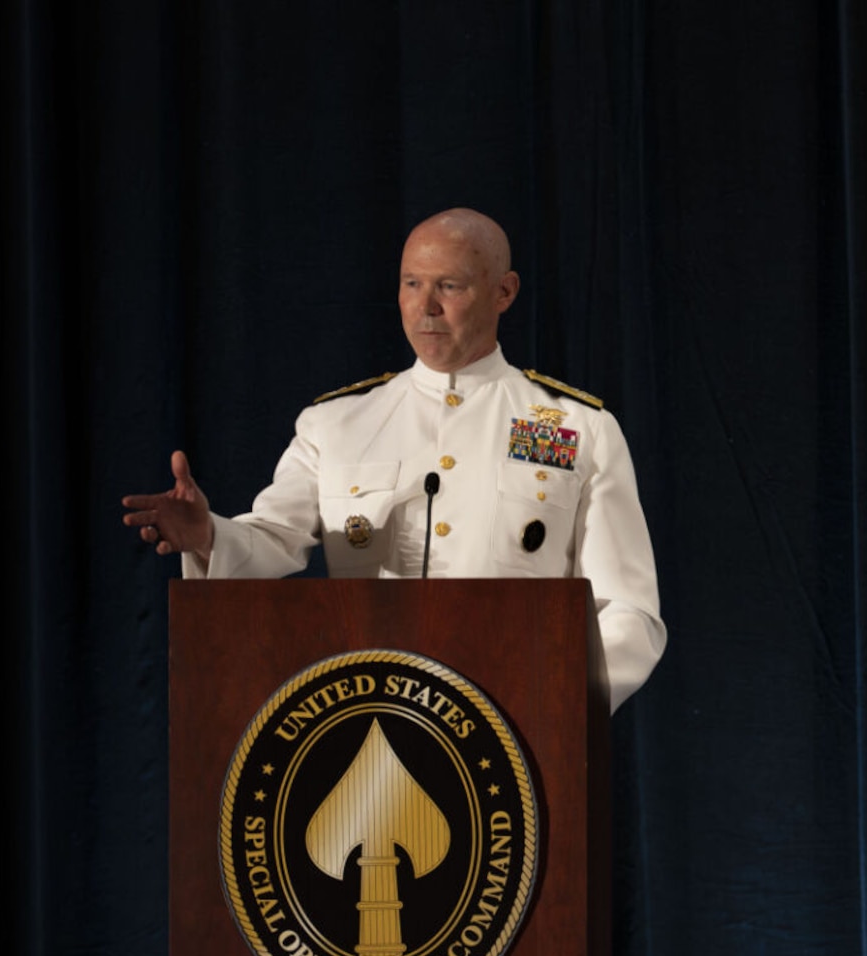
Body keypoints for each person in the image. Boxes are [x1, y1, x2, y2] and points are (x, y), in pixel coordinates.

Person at [121, 208, 665, 710]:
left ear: (504, 292)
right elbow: (272, 538)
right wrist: (208, 536)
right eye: (412, 284)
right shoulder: (337, 425)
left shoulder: (577, 429)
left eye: (449, 286)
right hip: (370, 719)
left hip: (520, 725)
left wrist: (560, 699)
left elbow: (630, 613)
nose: (426, 307)